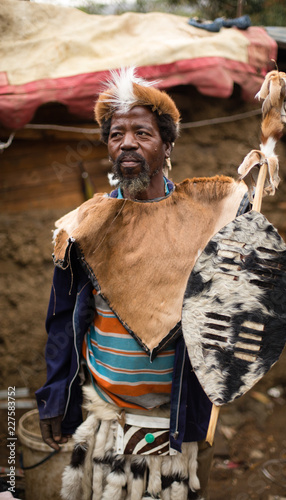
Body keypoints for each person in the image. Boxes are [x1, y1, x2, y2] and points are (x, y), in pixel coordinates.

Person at [36, 67, 249, 500]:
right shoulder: (85, 227)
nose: (127, 143)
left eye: (142, 132)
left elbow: (235, 315)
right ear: (108, 147)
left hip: (176, 421)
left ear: (166, 145)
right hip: (104, 419)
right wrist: (55, 394)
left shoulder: (201, 222)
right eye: (117, 134)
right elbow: (62, 321)